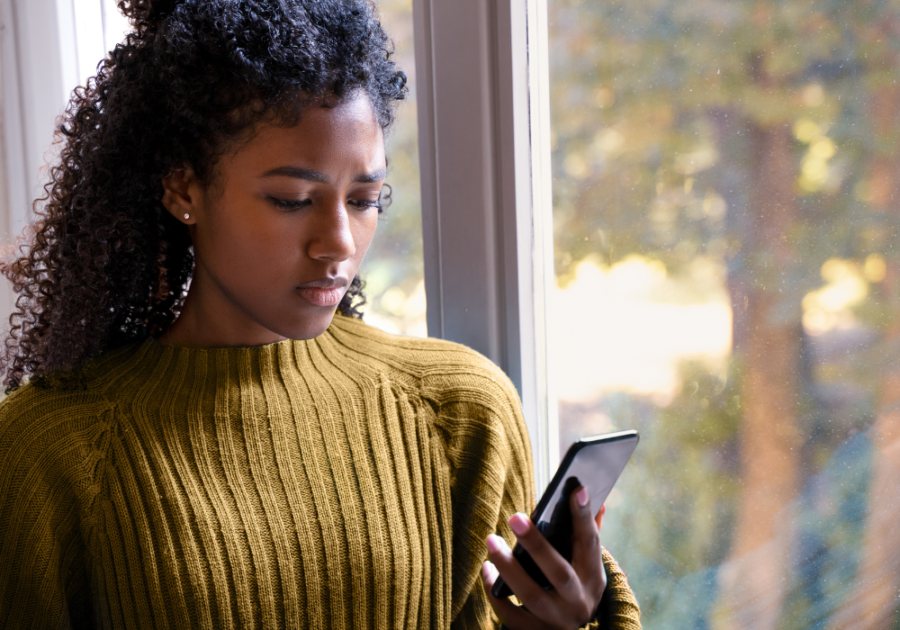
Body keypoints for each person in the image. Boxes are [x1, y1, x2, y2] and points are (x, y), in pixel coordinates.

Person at [0, 1, 641, 628]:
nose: (338, 242)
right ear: (183, 187)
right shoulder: (49, 452)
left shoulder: (458, 410)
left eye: (364, 199)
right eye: (292, 199)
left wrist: (571, 623)